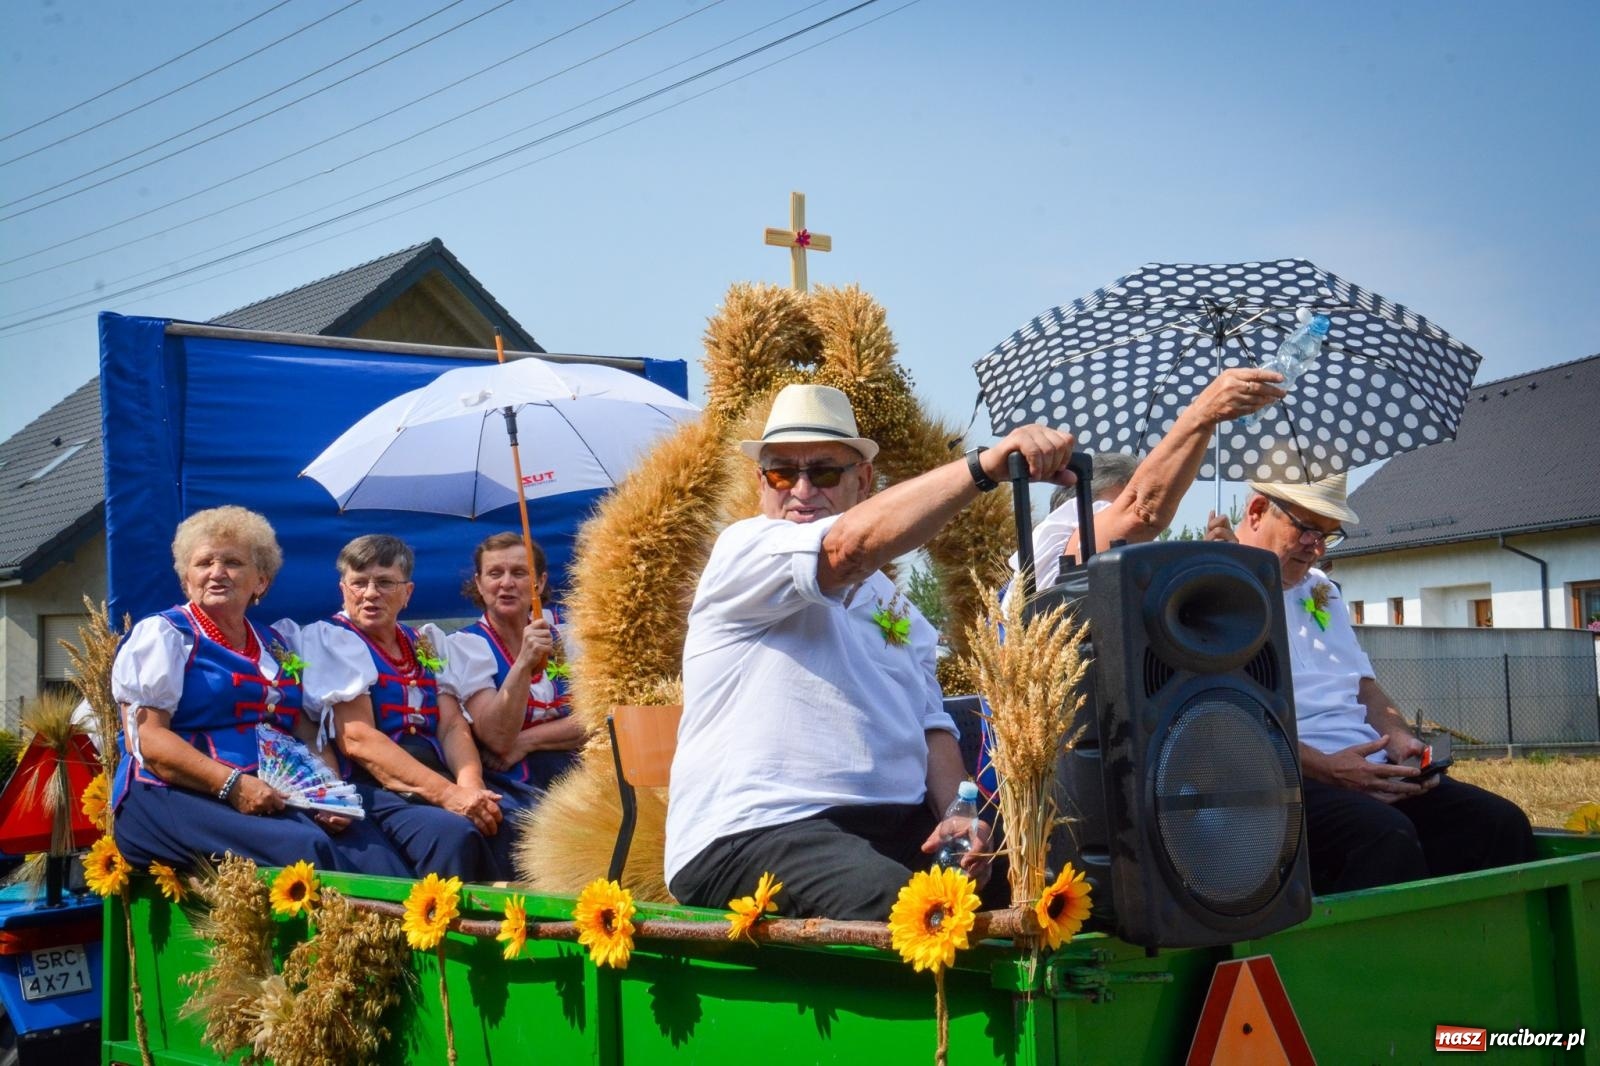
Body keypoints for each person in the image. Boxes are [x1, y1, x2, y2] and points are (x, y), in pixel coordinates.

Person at [664, 383, 1078, 920]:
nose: (801, 490)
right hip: (756, 829)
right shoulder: (745, 551)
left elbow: (931, 727)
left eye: (824, 472)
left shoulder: (901, 611)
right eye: (782, 473)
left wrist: (957, 813)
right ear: (761, 482)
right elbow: (847, 548)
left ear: (862, 482)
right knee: (910, 909)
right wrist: (983, 468)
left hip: (889, 828)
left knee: (1037, 884)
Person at [1222, 474, 1534, 893]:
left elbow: (1363, 686)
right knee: (1385, 836)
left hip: (1366, 769)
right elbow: (1227, 719)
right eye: (1308, 529)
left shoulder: (1321, 589)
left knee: (1498, 823)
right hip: (1280, 777)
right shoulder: (1212, 588)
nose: (1317, 548)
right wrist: (1328, 769)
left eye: (1328, 536)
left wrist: (1399, 738)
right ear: (1257, 511)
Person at [110, 506, 409, 876]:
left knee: (372, 851)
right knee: (306, 848)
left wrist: (327, 792)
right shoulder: (165, 635)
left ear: (261, 582)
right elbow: (148, 740)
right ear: (187, 579)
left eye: (233, 562)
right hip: (172, 793)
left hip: (269, 793)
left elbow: (304, 731)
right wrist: (232, 785)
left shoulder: (275, 643)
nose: (217, 573)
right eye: (203, 563)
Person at [300, 535, 505, 881]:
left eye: (384, 583)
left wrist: (471, 785)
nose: (370, 593)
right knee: (452, 835)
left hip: (435, 776)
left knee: (506, 823)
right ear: (343, 589)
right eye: (359, 583)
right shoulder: (334, 639)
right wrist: (448, 794)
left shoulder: (423, 642)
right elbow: (358, 740)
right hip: (373, 788)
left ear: (407, 593)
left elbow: (452, 725)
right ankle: (435, 916)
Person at [1010, 367, 1287, 592]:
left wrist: (1212, 568)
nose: (1133, 539)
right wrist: (1203, 414)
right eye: (1108, 515)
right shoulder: (1056, 552)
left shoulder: (1124, 590)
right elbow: (1141, 513)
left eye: (1144, 540)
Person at [449, 533, 584, 794]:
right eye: (495, 573)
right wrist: (523, 663)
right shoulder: (465, 646)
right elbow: (497, 738)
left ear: (540, 582)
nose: (507, 583)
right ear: (479, 583)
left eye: (520, 573)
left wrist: (527, 740)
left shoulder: (567, 637)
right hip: (514, 783)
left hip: (581, 773)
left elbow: (598, 719)